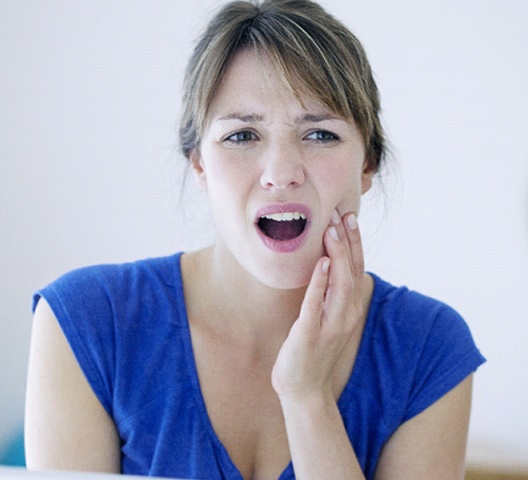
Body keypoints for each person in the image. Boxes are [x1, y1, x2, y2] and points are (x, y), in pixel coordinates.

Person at [25, 1, 485, 479]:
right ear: (199, 163)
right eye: (243, 136)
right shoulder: (85, 321)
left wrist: (308, 397)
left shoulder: (430, 348)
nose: (281, 174)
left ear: (367, 164)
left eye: (321, 134)